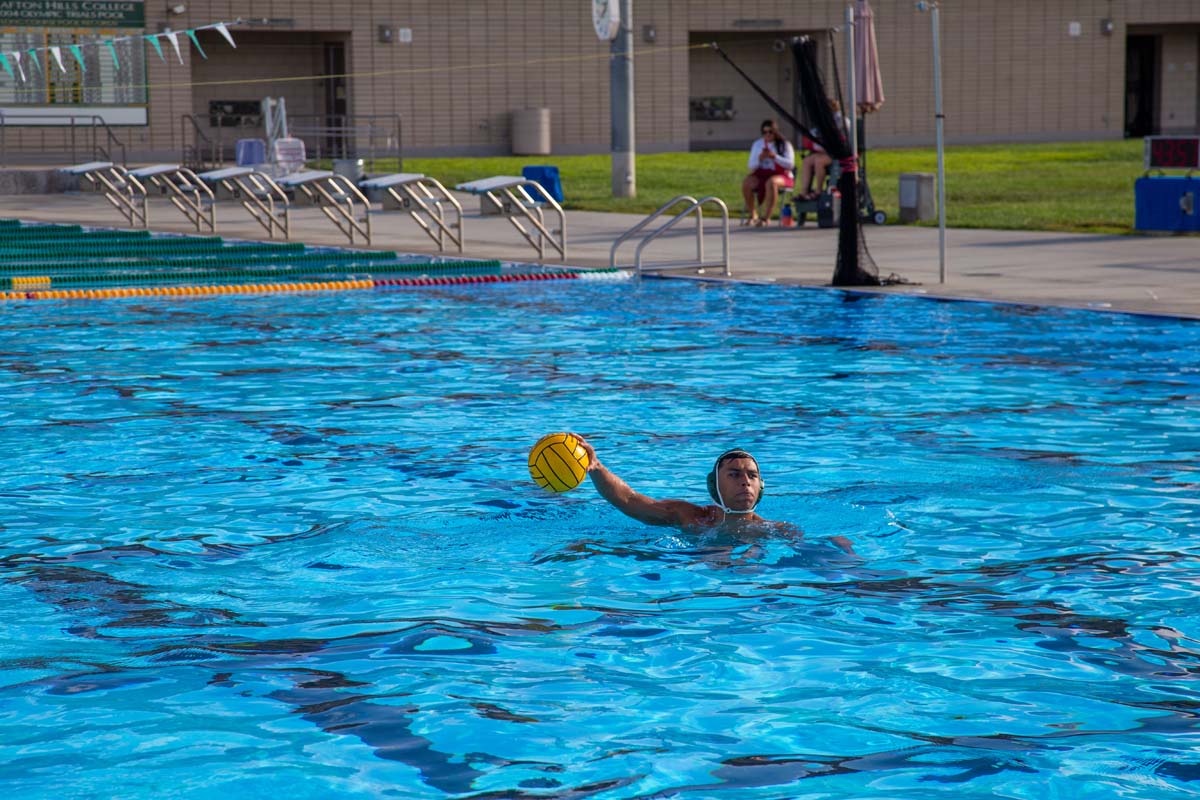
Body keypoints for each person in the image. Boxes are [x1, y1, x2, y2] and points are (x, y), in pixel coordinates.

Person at [572, 434, 779, 534]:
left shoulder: (775, 531)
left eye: (752, 476)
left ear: (761, 487)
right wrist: (597, 467)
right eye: (734, 475)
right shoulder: (688, 516)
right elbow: (629, 499)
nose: (745, 482)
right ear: (714, 486)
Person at [740, 119, 796, 227]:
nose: (768, 135)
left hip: (781, 175)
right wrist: (759, 159)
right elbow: (751, 166)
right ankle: (753, 215)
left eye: (770, 132)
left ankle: (766, 217)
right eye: (765, 132)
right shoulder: (757, 144)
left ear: (775, 132)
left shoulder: (784, 145)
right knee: (747, 183)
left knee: (772, 182)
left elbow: (790, 164)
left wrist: (775, 157)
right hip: (762, 174)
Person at [798, 99, 846, 200]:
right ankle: (804, 192)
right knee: (807, 160)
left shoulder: (841, 121)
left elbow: (839, 139)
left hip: (837, 154)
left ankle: (818, 191)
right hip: (824, 151)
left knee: (818, 161)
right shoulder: (822, 120)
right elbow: (815, 133)